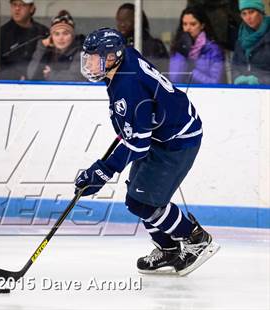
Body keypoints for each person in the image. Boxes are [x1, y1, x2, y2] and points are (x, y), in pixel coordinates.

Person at [77, 27, 220, 275]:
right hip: (164, 130)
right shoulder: (125, 58)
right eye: (87, 56)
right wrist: (131, 125)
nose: (88, 63)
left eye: (94, 56)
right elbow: (142, 118)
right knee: (138, 193)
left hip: (177, 140)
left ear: (111, 57)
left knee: (141, 202)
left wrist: (103, 171)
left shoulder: (127, 87)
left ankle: (196, 239)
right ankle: (169, 249)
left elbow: (138, 144)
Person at [0, 0, 48, 80]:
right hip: (7, 90)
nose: (17, 8)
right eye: (14, 4)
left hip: (40, 89)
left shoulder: (44, 33)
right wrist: (12, 78)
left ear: (32, 8)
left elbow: (53, 63)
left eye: (22, 5)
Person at [169, 6, 225, 84]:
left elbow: (216, 82)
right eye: (185, 24)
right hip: (182, 93)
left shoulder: (213, 50)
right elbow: (174, 79)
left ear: (202, 25)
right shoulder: (178, 46)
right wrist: (182, 53)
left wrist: (192, 73)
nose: (188, 28)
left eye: (193, 24)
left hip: (206, 93)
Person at [27, 10, 85, 81]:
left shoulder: (81, 51)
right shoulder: (47, 51)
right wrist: (42, 47)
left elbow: (77, 77)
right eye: (56, 34)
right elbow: (31, 75)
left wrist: (51, 75)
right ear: (51, 37)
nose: (61, 38)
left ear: (72, 36)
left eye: (65, 33)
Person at [115, 3, 169, 73]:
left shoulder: (154, 46)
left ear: (138, 20)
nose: (122, 24)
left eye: (127, 20)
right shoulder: (116, 45)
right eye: (119, 20)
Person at [232, 0, 270, 85]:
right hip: (246, 92)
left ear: (260, 11)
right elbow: (235, 65)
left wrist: (259, 81)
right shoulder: (241, 36)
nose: (248, 17)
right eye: (244, 14)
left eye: (251, 12)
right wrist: (237, 77)